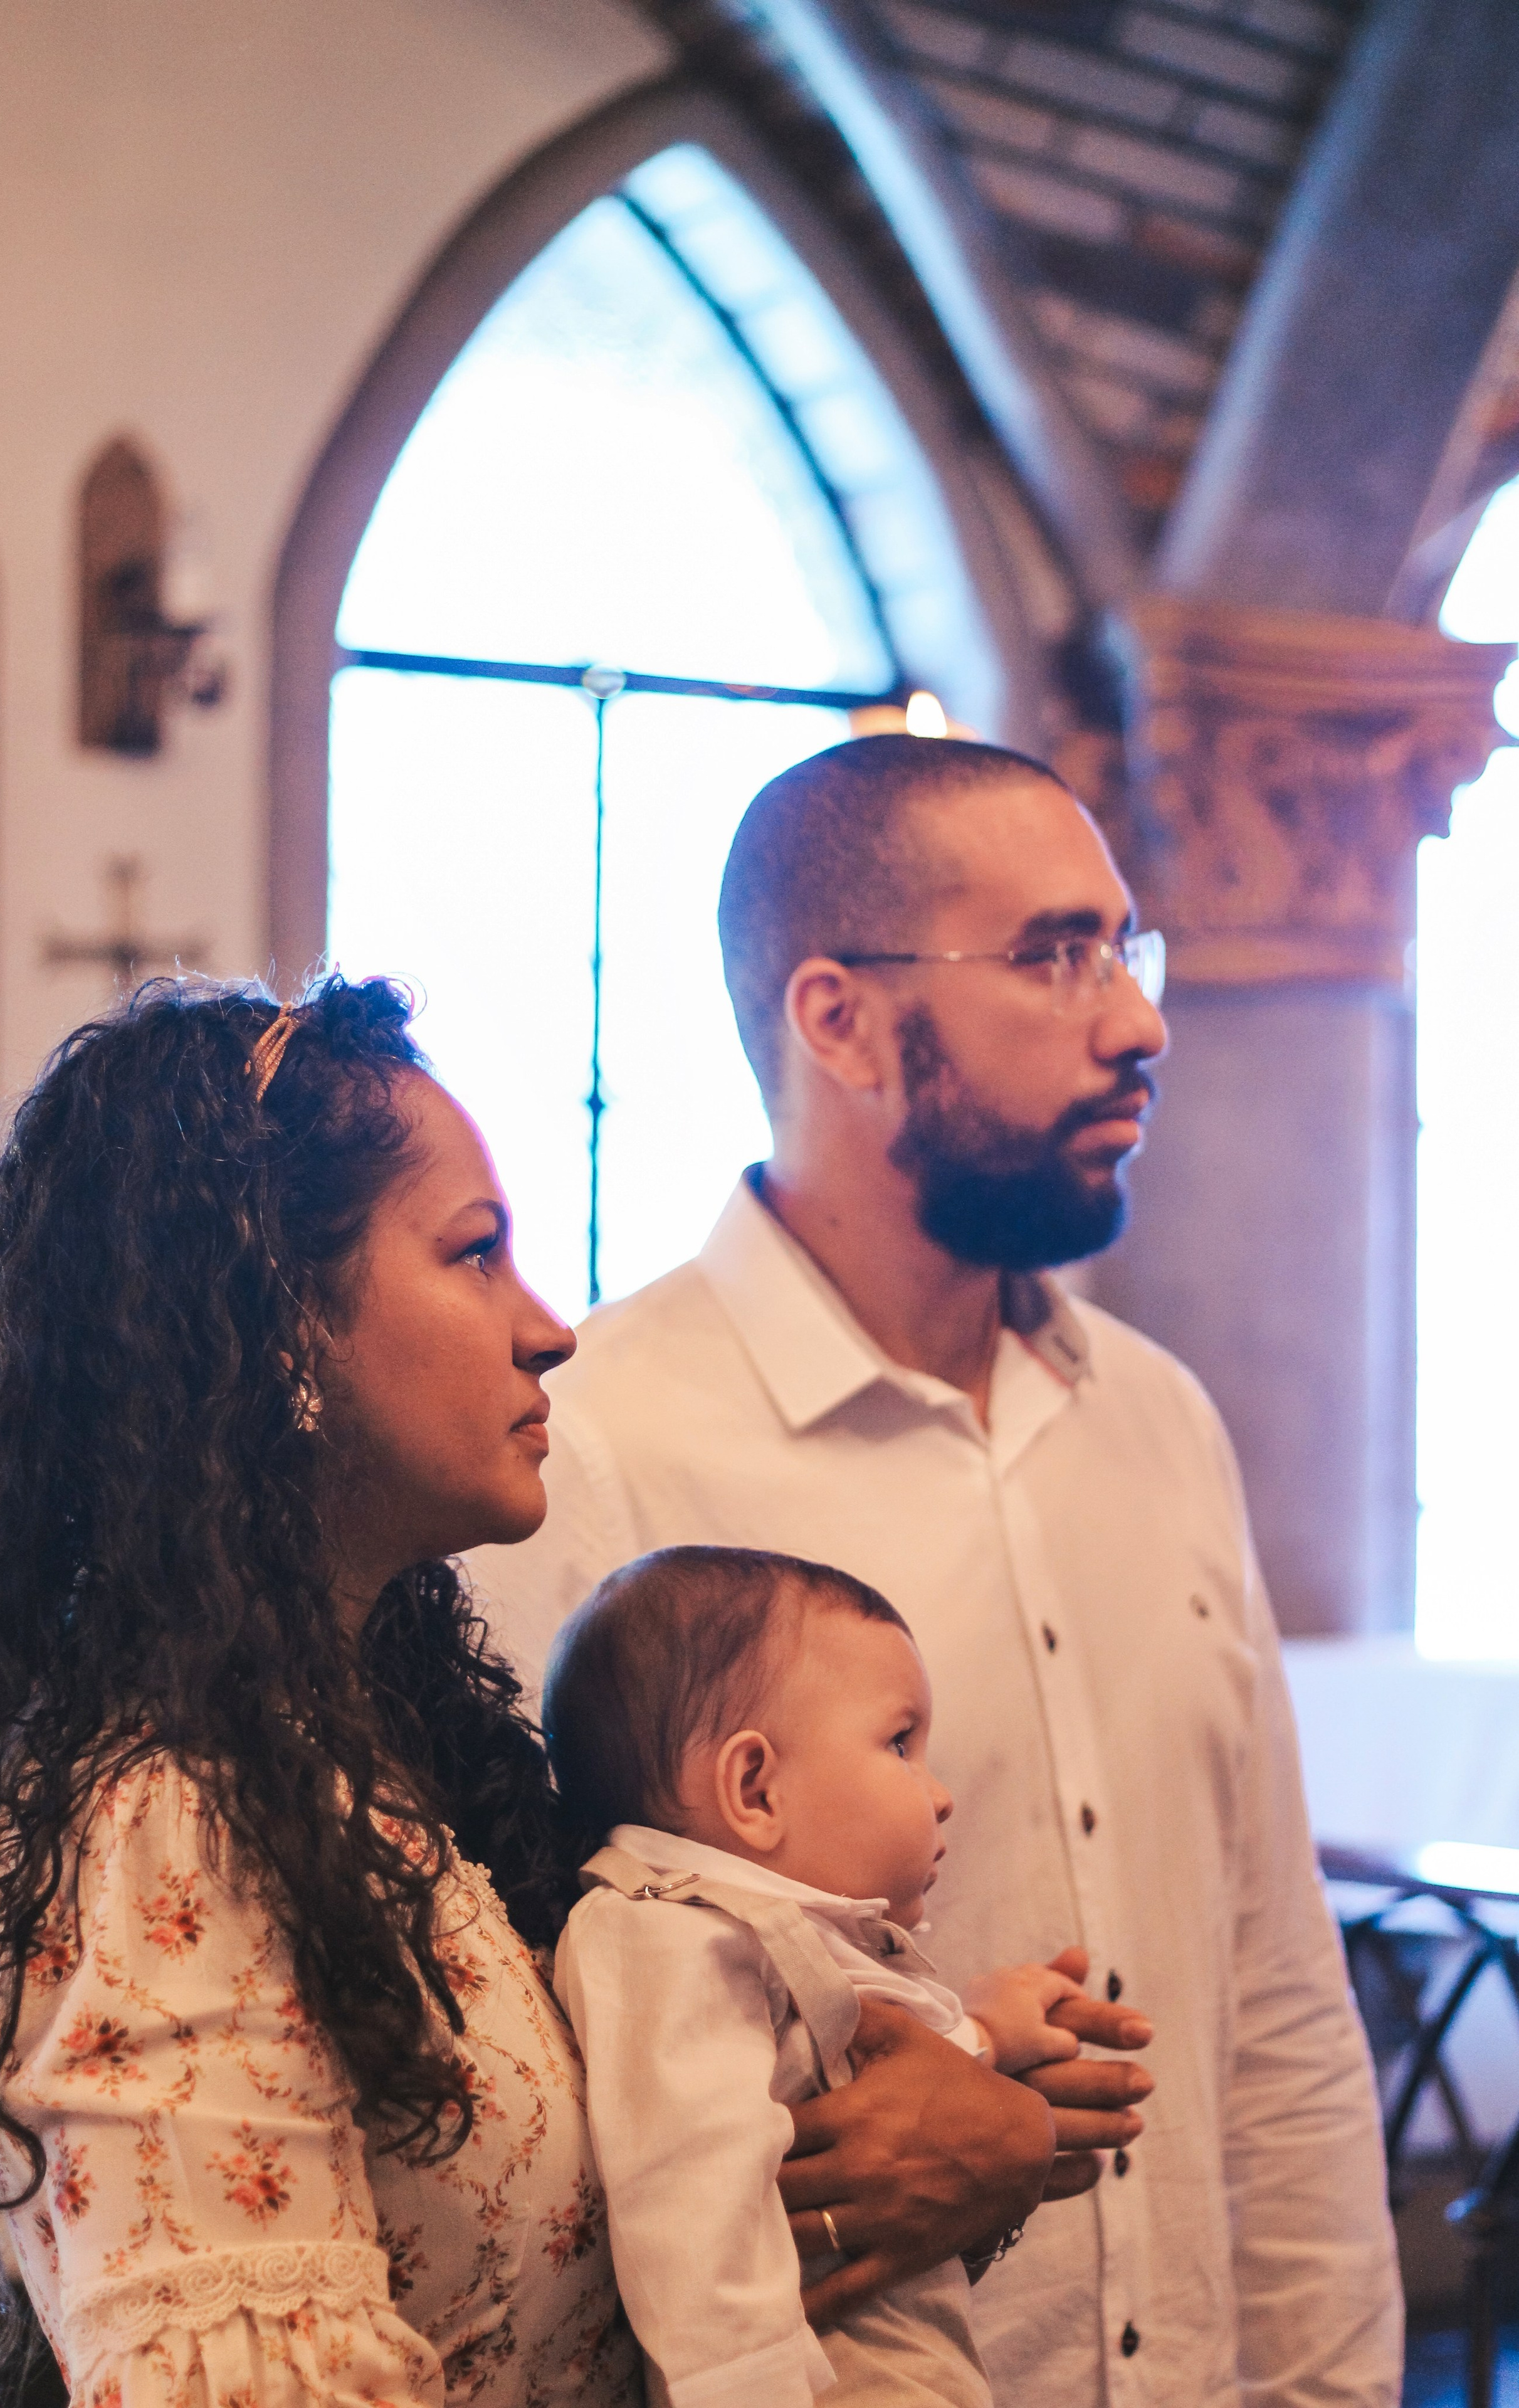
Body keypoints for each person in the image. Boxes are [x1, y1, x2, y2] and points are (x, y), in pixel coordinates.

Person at [0, 974, 1054, 2408]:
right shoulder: (171, 1823)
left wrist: (958, 2126)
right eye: (472, 1254)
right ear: (279, 1318)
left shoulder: (384, 1758)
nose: (547, 1327)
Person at [467, 735, 1405, 2408]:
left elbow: (1270, 1996)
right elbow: (514, 2094)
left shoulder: (1159, 1420)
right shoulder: (595, 1450)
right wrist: (862, 2137)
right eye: (1054, 955)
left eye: (1123, 948)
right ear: (837, 1020)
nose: (1137, 1022)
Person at [545, 1542, 1113, 2408]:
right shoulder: (663, 1933)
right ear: (755, 1790)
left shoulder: (773, 1932)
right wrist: (745, 2391)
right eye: (901, 1743)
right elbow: (691, 2200)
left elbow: (858, 2088)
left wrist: (990, 2034)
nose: (941, 1794)